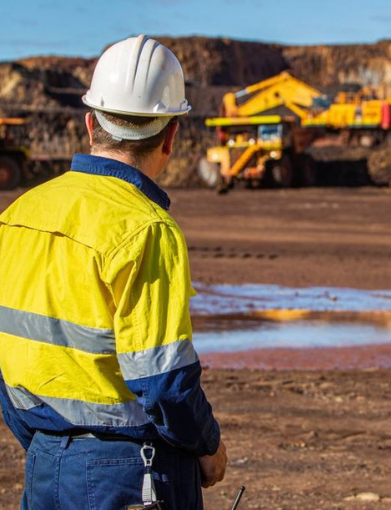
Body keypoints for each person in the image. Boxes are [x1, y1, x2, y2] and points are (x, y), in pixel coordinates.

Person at [0, 35, 226, 509]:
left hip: (46, 459)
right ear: (171, 136)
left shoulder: (20, 213)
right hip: (133, 471)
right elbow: (164, 379)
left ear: (90, 123)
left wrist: (49, 442)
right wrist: (207, 445)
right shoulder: (146, 228)